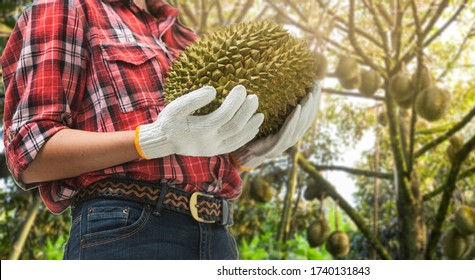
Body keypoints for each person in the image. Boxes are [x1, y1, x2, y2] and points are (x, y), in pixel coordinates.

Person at [0, 0, 320, 260]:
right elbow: (31, 153)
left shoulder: (184, 35)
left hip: (218, 233)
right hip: (124, 229)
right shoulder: (66, 8)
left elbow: (197, 145)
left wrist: (244, 157)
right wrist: (152, 139)